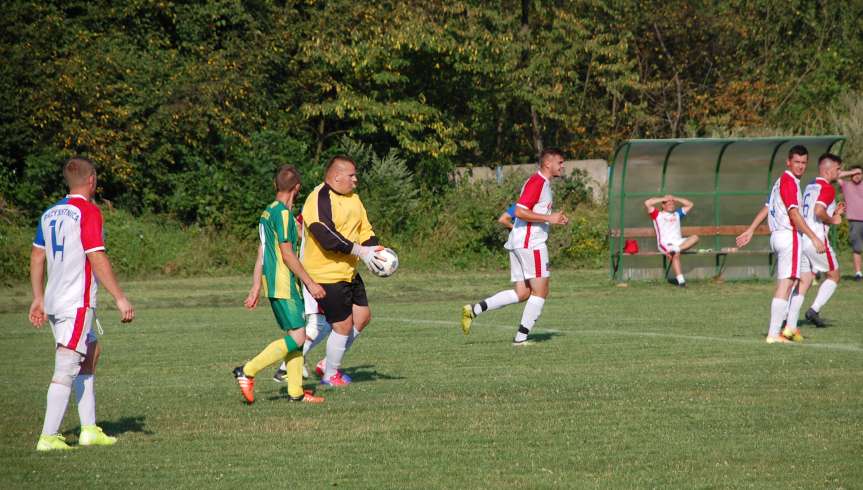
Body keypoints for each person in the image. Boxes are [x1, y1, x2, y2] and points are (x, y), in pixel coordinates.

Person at [29, 157, 135, 451]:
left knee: (90, 350)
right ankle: (48, 437)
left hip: (53, 299)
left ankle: (89, 429)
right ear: (92, 181)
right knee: (66, 364)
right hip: (75, 301)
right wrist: (120, 297)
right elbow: (96, 256)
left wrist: (38, 297)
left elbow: (37, 256)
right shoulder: (87, 211)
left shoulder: (50, 212)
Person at [233, 165, 325, 404]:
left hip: (274, 284)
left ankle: (295, 392)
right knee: (297, 337)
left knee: (296, 334)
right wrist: (311, 284)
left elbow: (262, 253)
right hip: (285, 283)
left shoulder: (268, 212)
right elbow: (287, 254)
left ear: (276, 186)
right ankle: (248, 370)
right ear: (297, 188)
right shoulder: (283, 215)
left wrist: (255, 287)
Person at [461, 148, 569, 345]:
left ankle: (473, 310)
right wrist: (549, 218)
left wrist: (553, 219)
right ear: (548, 164)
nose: (563, 166)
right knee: (541, 292)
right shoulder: (538, 182)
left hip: (520, 242)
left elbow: (522, 211)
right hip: (531, 243)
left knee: (523, 293)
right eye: (560, 162)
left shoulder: (540, 183)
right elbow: (519, 211)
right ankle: (520, 339)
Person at [300, 155, 387, 387]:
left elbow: (365, 229)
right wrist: (361, 251)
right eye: (351, 175)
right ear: (336, 176)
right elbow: (326, 236)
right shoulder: (318, 198)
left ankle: (327, 363)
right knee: (342, 325)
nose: (355, 180)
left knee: (363, 317)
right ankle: (330, 375)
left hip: (348, 271)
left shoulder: (354, 199)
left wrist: (375, 251)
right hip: (326, 274)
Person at [736, 145, 825, 344]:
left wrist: (751, 229)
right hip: (789, 236)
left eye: (804, 163)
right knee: (786, 284)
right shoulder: (789, 182)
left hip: (778, 236)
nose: (800, 166)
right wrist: (813, 237)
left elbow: (767, 207)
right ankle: (774, 333)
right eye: (797, 162)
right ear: (788, 162)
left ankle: (785, 329)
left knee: (799, 279)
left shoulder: (780, 182)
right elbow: (794, 214)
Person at [784, 155, 862, 333]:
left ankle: (787, 318)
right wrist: (833, 218)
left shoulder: (811, 185)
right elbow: (819, 212)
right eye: (837, 169)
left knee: (804, 280)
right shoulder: (827, 188)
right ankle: (813, 311)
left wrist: (834, 212)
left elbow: (815, 211)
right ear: (828, 170)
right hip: (816, 240)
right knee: (834, 275)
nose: (839, 173)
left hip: (802, 238)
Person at [643, 195, 698, 287]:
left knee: (695, 237)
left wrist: (675, 198)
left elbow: (690, 204)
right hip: (664, 243)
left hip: (679, 242)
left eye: (672, 204)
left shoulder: (677, 214)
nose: (671, 205)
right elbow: (647, 203)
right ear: (663, 205)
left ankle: (676, 249)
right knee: (675, 254)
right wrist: (663, 198)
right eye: (668, 203)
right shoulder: (657, 214)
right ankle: (681, 282)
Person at [838, 164, 863, 281]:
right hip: (855, 222)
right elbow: (836, 175)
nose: (857, 176)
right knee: (857, 248)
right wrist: (850, 172)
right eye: (854, 174)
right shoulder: (846, 185)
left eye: (859, 173)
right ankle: (858, 273)